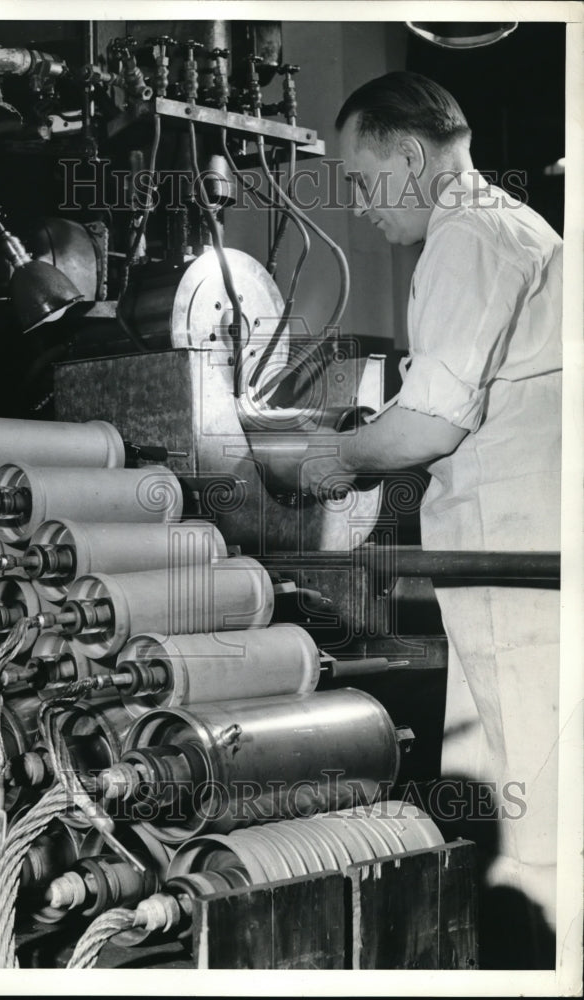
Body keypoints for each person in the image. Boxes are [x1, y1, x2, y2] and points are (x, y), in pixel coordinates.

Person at [291, 71, 562, 964]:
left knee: (535, 816)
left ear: (410, 156)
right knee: (520, 799)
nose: (362, 206)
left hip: (516, 576)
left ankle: (535, 969)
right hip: (519, 572)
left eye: (365, 180)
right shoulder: (515, 228)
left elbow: (428, 423)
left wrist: (334, 458)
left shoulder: (467, 237)